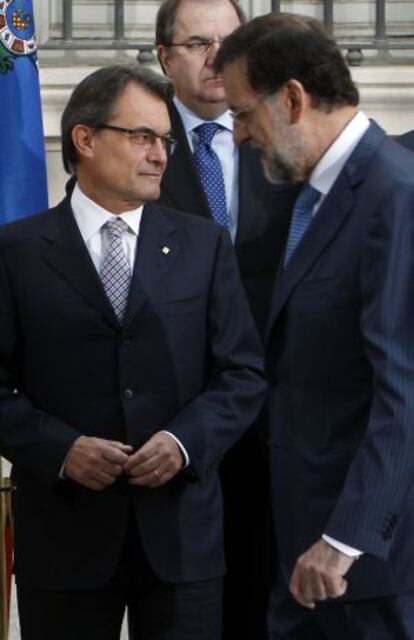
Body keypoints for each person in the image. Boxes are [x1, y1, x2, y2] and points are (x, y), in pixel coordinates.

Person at [0, 64, 267, 640]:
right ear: (86, 139)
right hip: (64, 539)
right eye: (142, 136)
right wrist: (62, 449)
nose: (161, 154)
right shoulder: (15, 251)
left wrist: (183, 442)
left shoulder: (204, 244)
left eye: (164, 139)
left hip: (182, 540)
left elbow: (243, 372)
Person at [216, 13, 414, 640]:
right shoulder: (311, 196)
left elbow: (404, 392)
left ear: (294, 98)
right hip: (304, 555)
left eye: (244, 113)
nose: (239, 136)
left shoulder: (394, 195)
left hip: (363, 570)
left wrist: (343, 539)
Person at [155, 3, 296, 636]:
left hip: (282, 426)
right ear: (165, 56)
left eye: (227, 41)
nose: (216, 57)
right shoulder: (138, 140)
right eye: (197, 42)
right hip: (178, 425)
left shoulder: (286, 140)